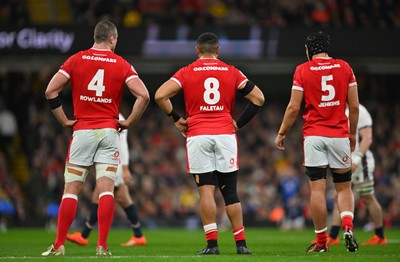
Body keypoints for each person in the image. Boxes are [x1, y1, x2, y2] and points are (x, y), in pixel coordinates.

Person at [41, 20, 150, 256]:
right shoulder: (122, 64)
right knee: (106, 190)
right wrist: (129, 121)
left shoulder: (76, 59)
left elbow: (51, 90)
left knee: (72, 189)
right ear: (112, 38)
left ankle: (59, 245)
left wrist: (63, 119)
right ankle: (102, 246)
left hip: (82, 131)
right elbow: (144, 95)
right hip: (110, 132)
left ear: (96, 36)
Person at [155, 32, 265, 255]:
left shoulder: (187, 71)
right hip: (225, 134)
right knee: (231, 192)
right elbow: (259, 99)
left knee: (206, 191)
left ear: (197, 51)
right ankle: (241, 245)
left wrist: (176, 119)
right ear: (218, 50)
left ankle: (212, 245)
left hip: (198, 135)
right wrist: (238, 124)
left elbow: (159, 96)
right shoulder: (231, 71)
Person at [274, 31, 360, 252]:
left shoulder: (302, 70)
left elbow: (294, 107)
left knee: (317, 191)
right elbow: (354, 106)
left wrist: (282, 132)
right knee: (343, 188)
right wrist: (351, 134)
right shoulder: (345, 67)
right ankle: (348, 226)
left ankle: (322, 243)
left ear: (309, 50)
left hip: (314, 136)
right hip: (339, 134)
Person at [66, 113, 147, 247]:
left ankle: (84, 235)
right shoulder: (111, 115)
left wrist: (125, 168)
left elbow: (123, 144)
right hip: (113, 162)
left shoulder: (118, 118)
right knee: (123, 198)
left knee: (98, 195)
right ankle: (138, 235)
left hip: (115, 163)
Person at [327, 104, 387, 246]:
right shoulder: (339, 109)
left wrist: (358, 158)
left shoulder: (359, 110)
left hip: (360, 162)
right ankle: (333, 236)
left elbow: (367, 138)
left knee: (367, 198)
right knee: (339, 196)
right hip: (345, 160)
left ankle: (380, 236)